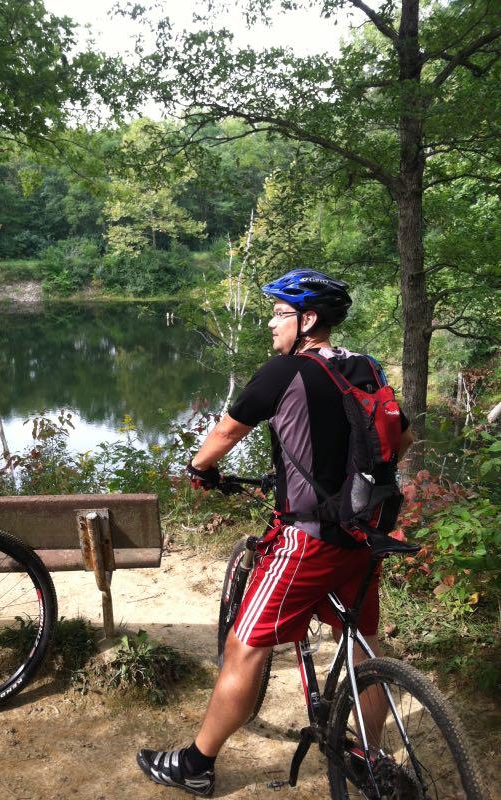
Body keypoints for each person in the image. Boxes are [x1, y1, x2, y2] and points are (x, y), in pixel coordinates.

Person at [137, 269, 414, 797]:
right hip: (364, 533)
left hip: (307, 542)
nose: (271, 322)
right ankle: (373, 756)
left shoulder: (284, 371)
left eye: (280, 313)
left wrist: (199, 469)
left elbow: (225, 432)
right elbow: (401, 437)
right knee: (360, 644)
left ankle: (196, 763)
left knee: (245, 649)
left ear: (307, 320)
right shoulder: (366, 367)